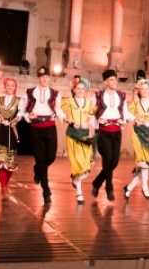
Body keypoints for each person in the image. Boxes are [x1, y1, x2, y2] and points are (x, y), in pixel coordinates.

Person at [18, 66, 64, 204]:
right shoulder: (29, 92)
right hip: (36, 128)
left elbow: (58, 109)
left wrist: (64, 118)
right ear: (38, 78)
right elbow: (22, 109)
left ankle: (37, 169)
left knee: (51, 156)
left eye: (47, 77)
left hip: (50, 127)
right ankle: (46, 191)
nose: (45, 79)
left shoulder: (55, 93)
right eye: (43, 77)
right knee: (40, 159)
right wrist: (28, 116)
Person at [91, 69, 134, 202]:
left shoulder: (122, 96)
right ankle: (109, 187)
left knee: (114, 161)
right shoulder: (97, 96)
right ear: (106, 82)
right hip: (103, 131)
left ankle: (97, 182)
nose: (114, 82)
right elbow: (91, 113)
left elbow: (125, 112)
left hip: (116, 131)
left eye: (115, 79)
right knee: (107, 157)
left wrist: (128, 119)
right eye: (111, 80)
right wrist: (98, 121)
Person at [125, 78, 149, 200]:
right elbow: (126, 114)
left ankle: (129, 188)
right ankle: (145, 188)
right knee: (144, 162)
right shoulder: (135, 105)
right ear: (139, 91)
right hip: (138, 133)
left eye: (147, 89)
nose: (145, 91)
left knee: (147, 163)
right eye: (143, 89)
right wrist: (134, 119)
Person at [61, 76, 96, 204]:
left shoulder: (89, 103)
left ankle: (76, 179)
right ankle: (79, 193)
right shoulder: (68, 101)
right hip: (72, 133)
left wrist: (89, 122)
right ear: (74, 89)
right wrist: (67, 120)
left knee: (87, 161)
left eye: (83, 89)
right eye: (78, 88)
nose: (81, 91)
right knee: (77, 162)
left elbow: (92, 115)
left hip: (85, 134)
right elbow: (58, 111)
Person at [0, 77, 21, 199]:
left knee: (11, 162)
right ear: (5, 87)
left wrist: (18, 118)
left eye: (12, 85)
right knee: (2, 159)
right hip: (1, 130)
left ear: (15, 87)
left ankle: (5, 184)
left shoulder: (19, 100)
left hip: (12, 130)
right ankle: (3, 187)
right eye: (8, 85)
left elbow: (22, 113)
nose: (10, 87)